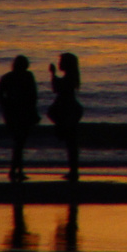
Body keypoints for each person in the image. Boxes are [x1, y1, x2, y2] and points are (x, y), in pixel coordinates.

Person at [0, 55, 39, 182]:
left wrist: (7, 104)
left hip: (13, 113)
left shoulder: (8, 77)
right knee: (20, 142)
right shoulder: (27, 77)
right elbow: (33, 96)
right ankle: (16, 170)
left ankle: (16, 170)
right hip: (20, 113)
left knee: (18, 142)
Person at [48, 52, 84, 182]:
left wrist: (53, 74)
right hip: (71, 109)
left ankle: (73, 171)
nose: (59, 64)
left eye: (61, 61)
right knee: (71, 141)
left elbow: (57, 88)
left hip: (68, 110)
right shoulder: (71, 76)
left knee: (71, 142)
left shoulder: (69, 78)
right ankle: (73, 170)